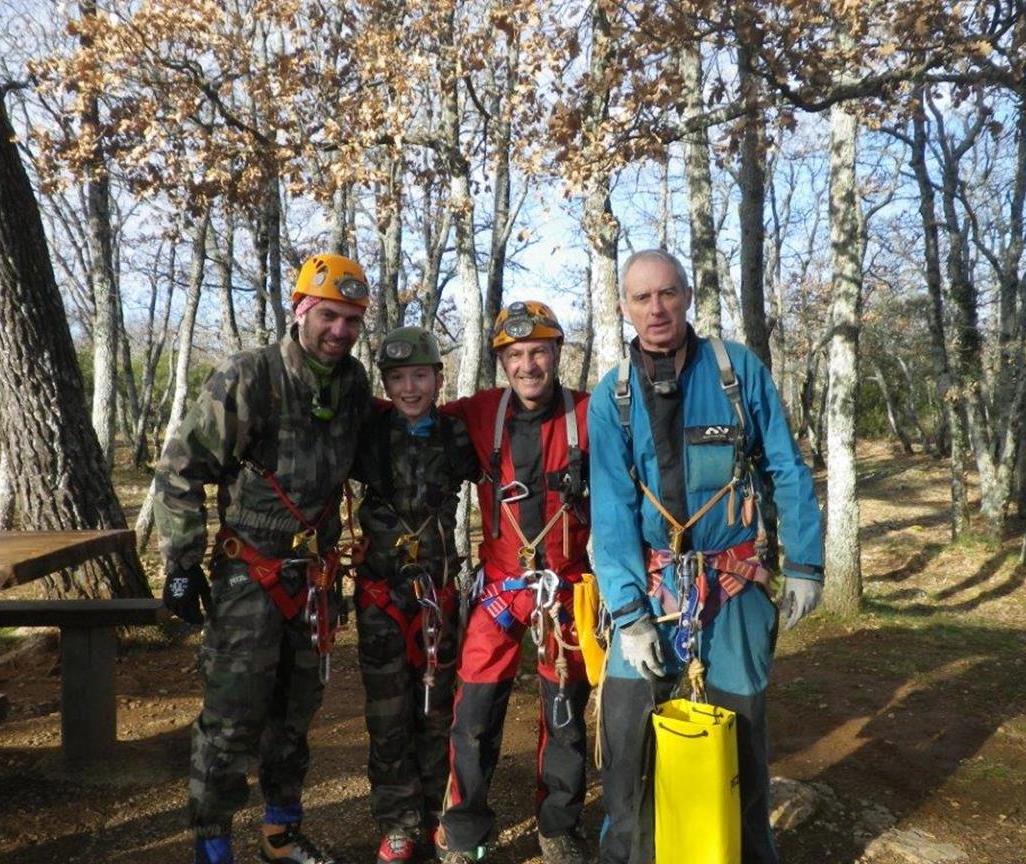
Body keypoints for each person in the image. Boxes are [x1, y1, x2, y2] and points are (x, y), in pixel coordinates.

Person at [588, 249, 824, 864]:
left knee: (740, 742)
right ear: (624, 307)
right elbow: (610, 511)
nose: (656, 308)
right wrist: (628, 613)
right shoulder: (611, 397)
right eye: (642, 298)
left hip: (733, 583)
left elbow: (785, 467)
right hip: (649, 591)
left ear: (687, 295)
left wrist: (805, 564)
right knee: (628, 743)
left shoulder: (735, 371)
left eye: (667, 293)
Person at [154, 253, 373, 864]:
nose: (339, 331)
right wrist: (180, 562)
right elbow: (180, 466)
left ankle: (280, 831)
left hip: (315, 580)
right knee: (230, 718)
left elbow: (364, 467)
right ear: (301, 310)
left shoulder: (354, 387)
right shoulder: (252, 376)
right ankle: (213, 845)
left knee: (295, 716)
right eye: (329, 315)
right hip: (248, 576)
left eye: (352, 320)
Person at [437, 301, 592, 864]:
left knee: (566, 713)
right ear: (502, 361)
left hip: (568, 590)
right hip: (501, 588)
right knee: (473, 712)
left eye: (538, 352)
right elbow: (407, 415)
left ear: (556, 354)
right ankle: (463, 831)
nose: (528, 365)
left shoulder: (590, 416)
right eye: (516, 355)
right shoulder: (479, 414)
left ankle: (557, 826)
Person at [350, 326, 479, 864]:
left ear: (438, 379)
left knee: (436, 709)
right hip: (381, 596)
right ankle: (398, 822)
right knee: (387, 713)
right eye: (398, 378)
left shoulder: (456, 436)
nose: (409, 388)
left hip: (437, 597)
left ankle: (437, 815)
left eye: (420, 376)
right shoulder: (367, 432)